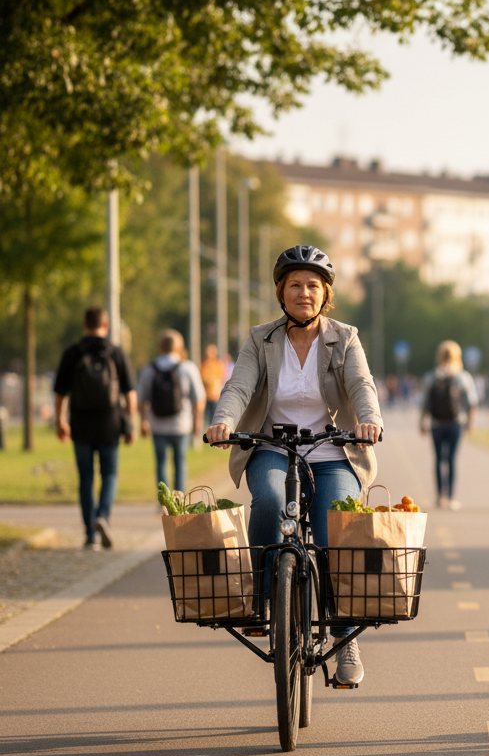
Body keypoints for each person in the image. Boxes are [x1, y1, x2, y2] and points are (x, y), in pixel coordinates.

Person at [205, 245, 382, 687]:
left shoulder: (345, 336)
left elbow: (361, 383)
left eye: (313, 286)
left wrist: (370, 420)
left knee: (332, 530)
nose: (304, 292)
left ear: (325, 295)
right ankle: (262, 600)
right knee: (266, 501)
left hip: (331, 451)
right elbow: (240, 385)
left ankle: (345, 637)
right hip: (271, 448)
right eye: (295, 285)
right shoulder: (260, 338)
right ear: (281, 293)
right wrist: (223, 421)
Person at [53, 306, 137, 550]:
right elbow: (129, 394)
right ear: (106, 325)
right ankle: (103, 516)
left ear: (84, 324)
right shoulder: (116, 352)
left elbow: (60, 392)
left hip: (80, 424)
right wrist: (129, 423)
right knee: (109, 473)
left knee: (85, 478)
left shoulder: (73, 352)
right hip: (110, 424)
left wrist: (60, 420)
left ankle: (90, 534)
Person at [138, 330, 206, 493]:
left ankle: (164, 502)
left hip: (158, 424)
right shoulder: (187, 367)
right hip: (181, 424)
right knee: (180, 462)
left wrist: (143, 421)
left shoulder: (150, 369)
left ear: (160, 347)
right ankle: (179, 499)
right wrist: (197, 422)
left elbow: (141, 399)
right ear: (180, 347)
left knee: (161, 463)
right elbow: (199, 398)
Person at [419, 340, 479, 509]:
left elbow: (424, 402)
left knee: (438, 459)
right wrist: (470, 422)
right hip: (456, 422)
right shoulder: (462, 376)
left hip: (437, 423)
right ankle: (451, 497)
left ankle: (440, 496)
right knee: (451, 459)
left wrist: (422, 421)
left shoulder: (433, 376)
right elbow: (472, 402)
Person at [199, 344, 226, 428]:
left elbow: (220, 379)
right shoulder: (203, 364)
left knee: (213, 416)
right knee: (204, 416)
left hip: (214, 395)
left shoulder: (217, 365)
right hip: (204, 395)